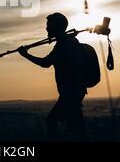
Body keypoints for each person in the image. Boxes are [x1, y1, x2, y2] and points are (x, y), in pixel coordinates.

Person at [17, 12, 89, 140]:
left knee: (52, 120)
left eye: (49, 25)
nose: (46, 28)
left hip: (70, 93)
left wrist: (25, 55)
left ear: (57, 26)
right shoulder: (66, 42)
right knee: (77, 129)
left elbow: (46, 63)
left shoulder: (65, 44)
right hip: (73, 92)